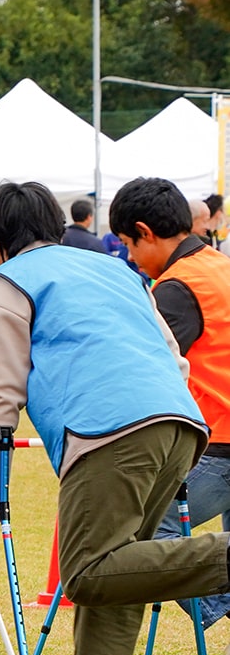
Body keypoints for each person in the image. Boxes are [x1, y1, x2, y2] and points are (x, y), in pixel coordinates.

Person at [0, 181, 230, 655]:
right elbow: (175, 357)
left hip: (107, 429)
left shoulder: (6, 282)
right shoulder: (118, 272)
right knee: (117, 578)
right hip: (180, 423)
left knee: (86, 572)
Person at [108, 178, 230, 632]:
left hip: (218, 442)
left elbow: (145, 371)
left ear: (145, 232)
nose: (130, 257)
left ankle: (222, 606)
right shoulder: (219, 265)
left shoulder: (178, 287)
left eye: (128, 244)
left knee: (144, 526)